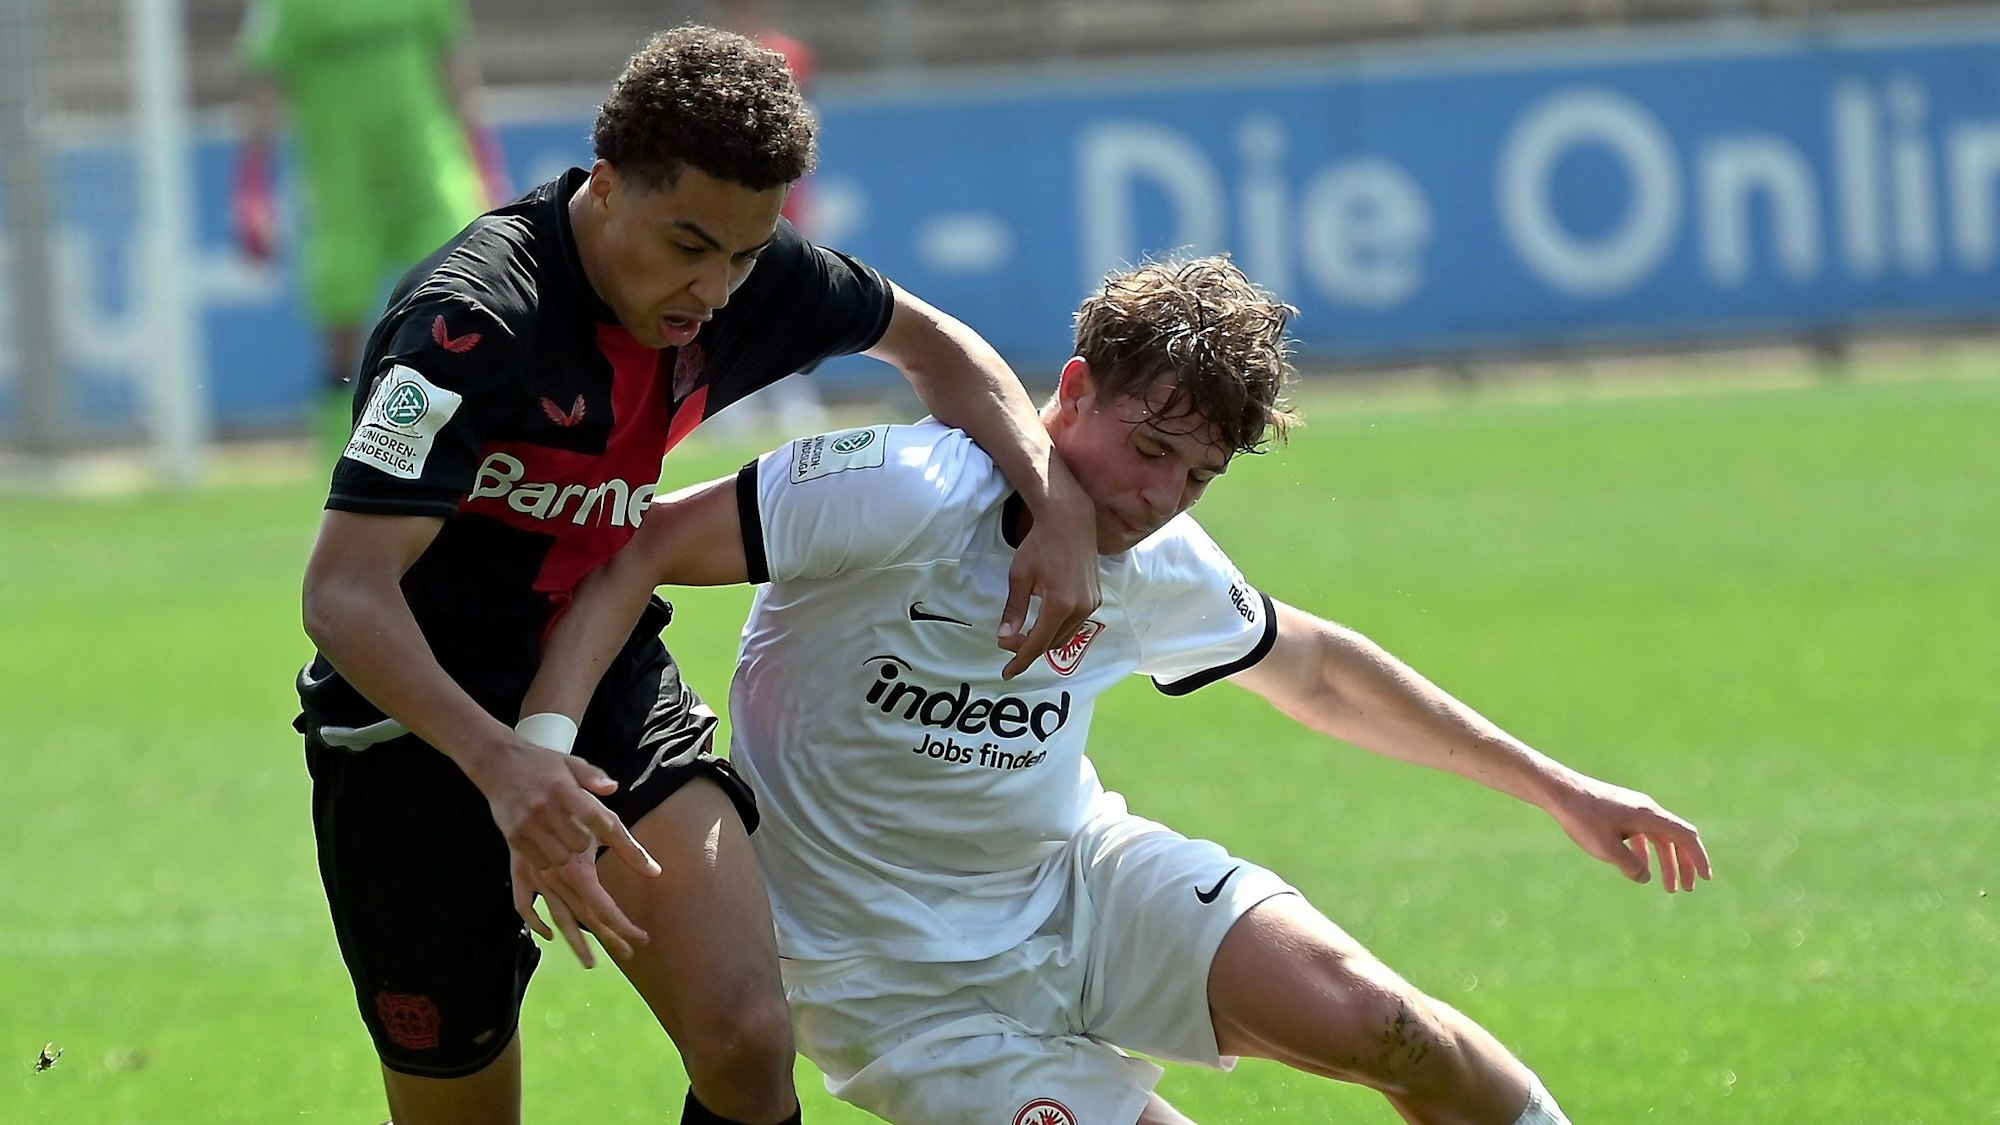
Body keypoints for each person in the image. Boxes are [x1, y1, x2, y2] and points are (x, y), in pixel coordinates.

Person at [519, 256, 1714, 1125]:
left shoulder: (1154, 563)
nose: (1158, 498)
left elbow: (1316, 669)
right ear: (1072, 390)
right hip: (897, 987)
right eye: (1149, 449)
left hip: (1082, 887)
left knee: (1388, 1030)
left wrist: (1558, 789)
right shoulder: (896, 489)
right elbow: (639, 548)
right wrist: (548, 744)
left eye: (1197, 476)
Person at [294, 24, 1099, 1125]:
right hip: (413, 741)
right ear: (608, 184)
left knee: (747, 1039)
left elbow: (941, 352)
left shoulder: (750, 279)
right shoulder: (469, 329)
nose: (713, 288)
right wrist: (497, 763)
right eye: (687, 246)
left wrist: (1052, 506)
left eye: (742, 253)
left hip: (604, 694)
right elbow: (343, 592)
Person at [234, 0, 509, 456]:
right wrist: (251, 189)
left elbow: (454, 66)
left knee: (464, 317)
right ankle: (340, 480)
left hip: (429, 179)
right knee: (342, 343)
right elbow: (266, 87)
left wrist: (486, 165)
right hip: (342, 190)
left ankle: (475, 464)